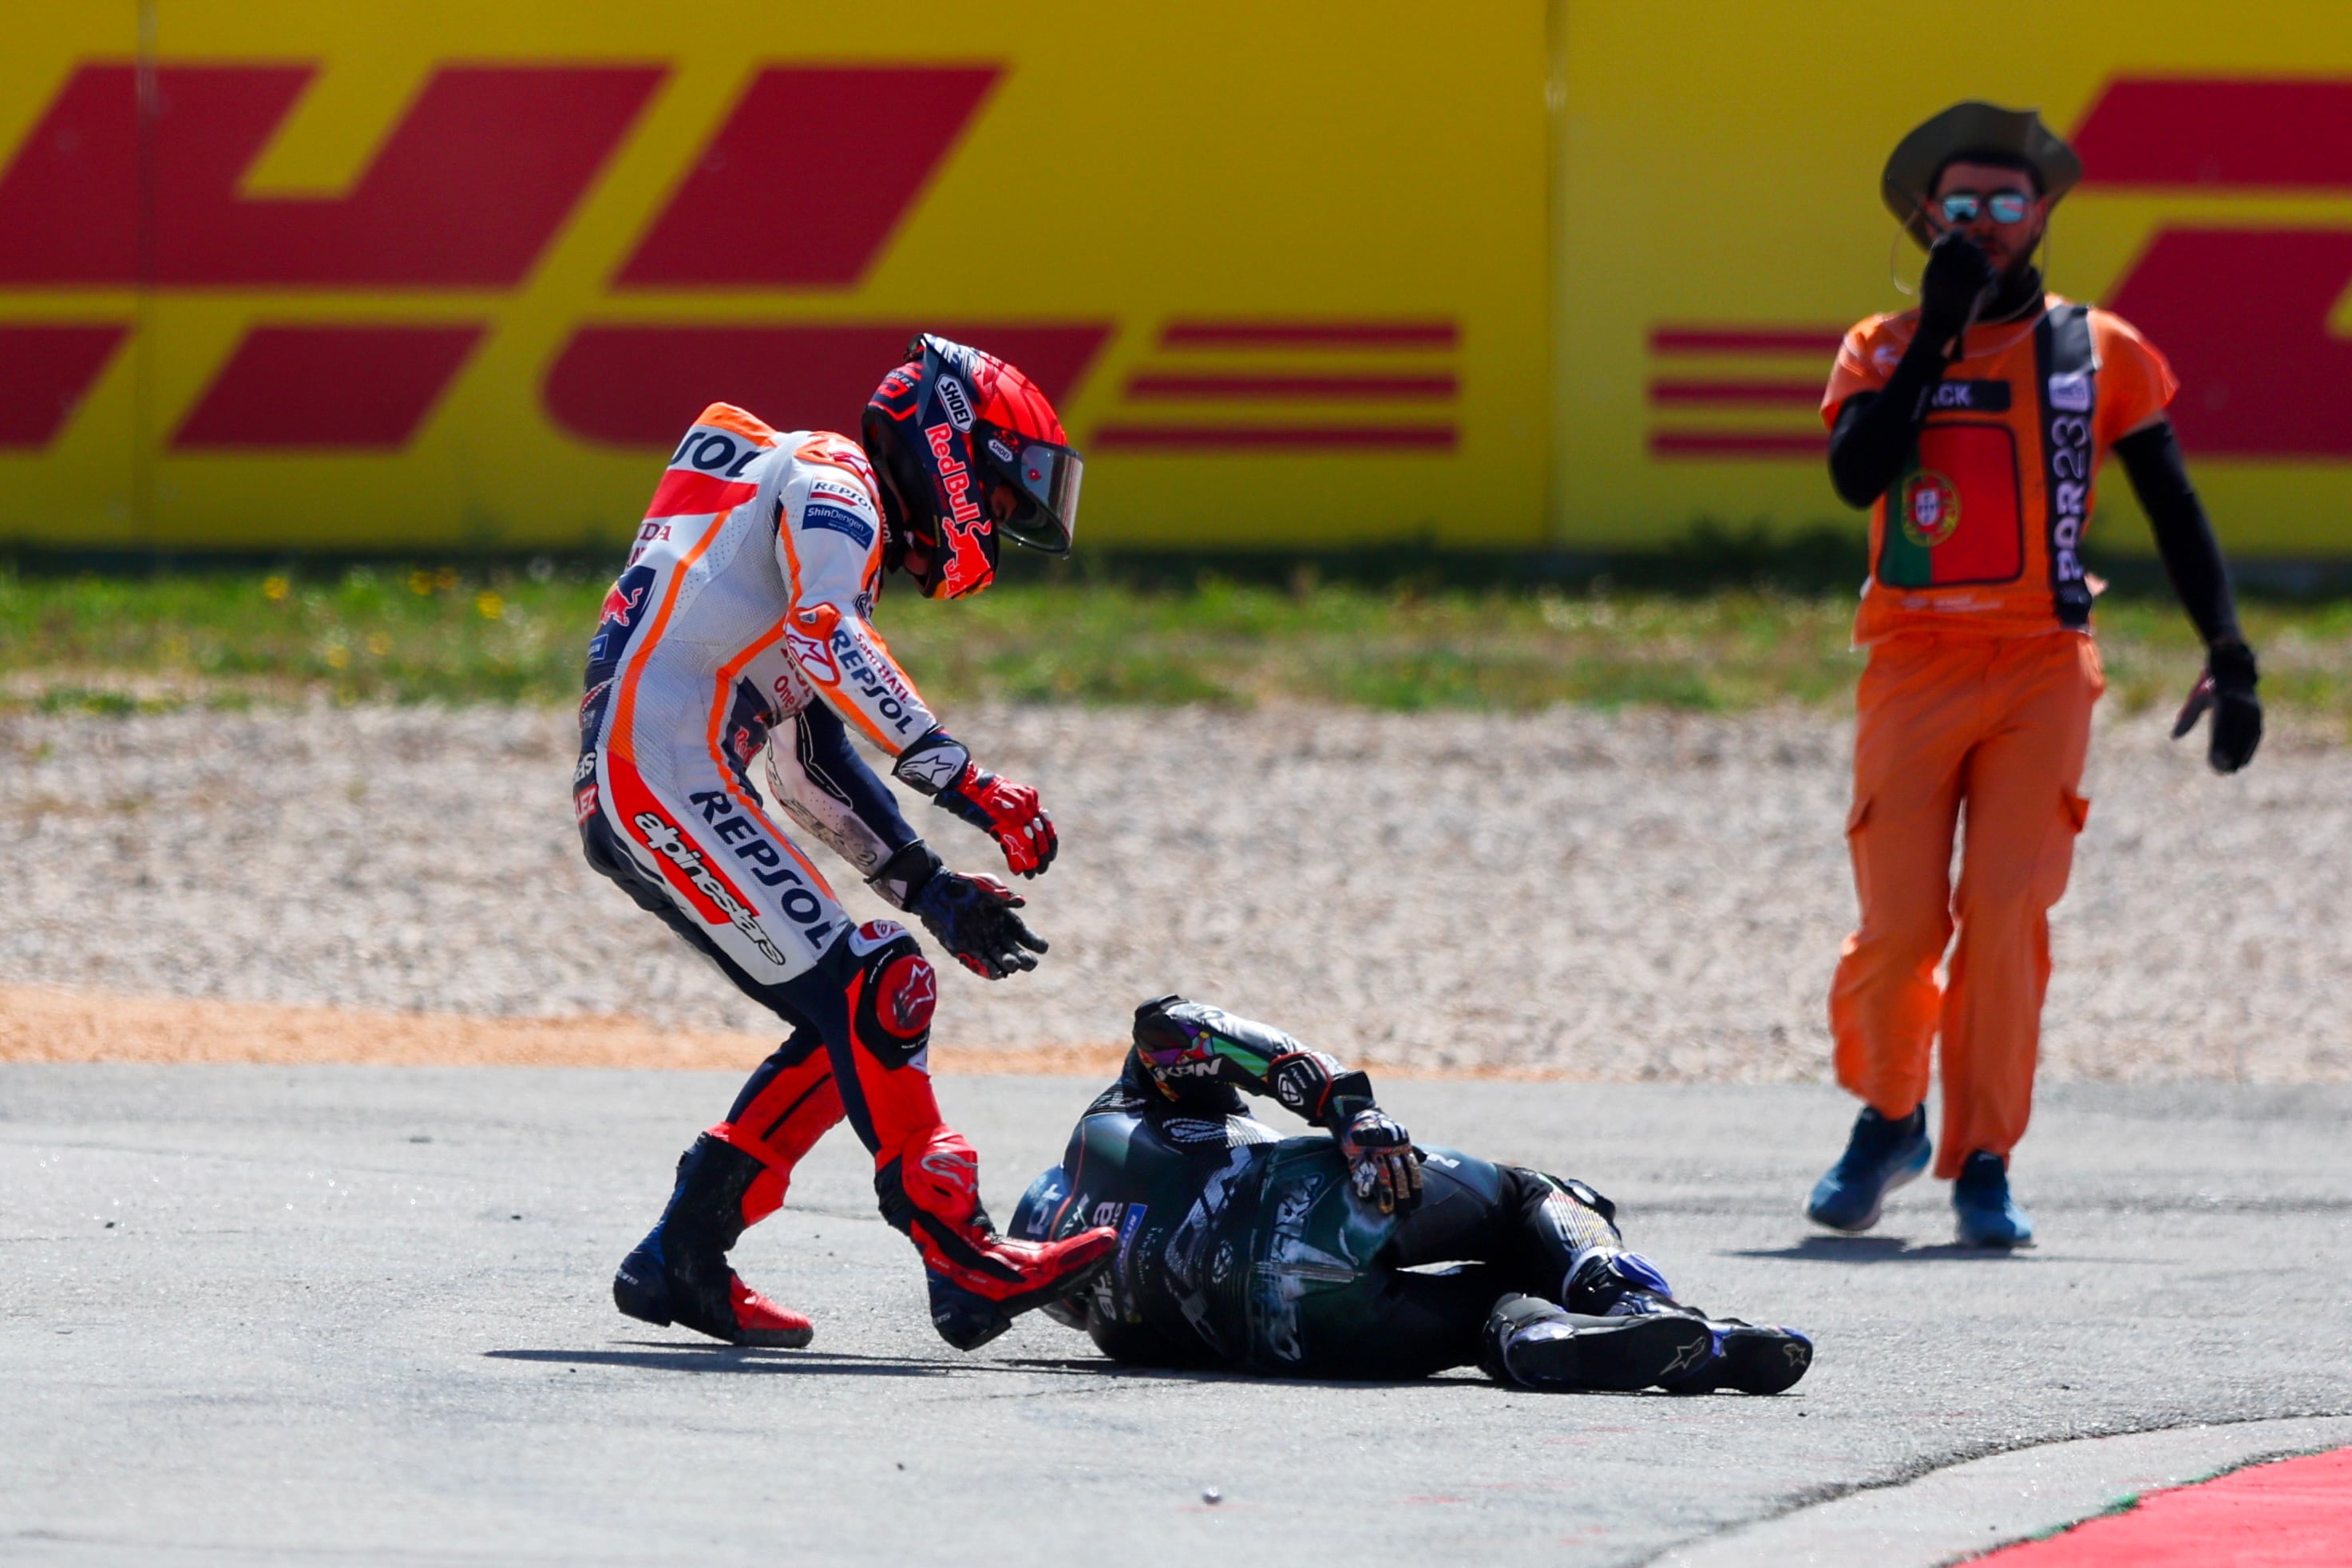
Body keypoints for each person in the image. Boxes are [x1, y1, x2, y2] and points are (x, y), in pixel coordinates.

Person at [577, 334, 1116, 1349]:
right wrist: (969, 781)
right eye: (998, 503)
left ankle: (680, 1258)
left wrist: (927, 886)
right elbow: (828, 638)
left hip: (655, 773)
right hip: (660, 770)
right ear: (954, 447)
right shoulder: (837, 475)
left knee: (853, 1018)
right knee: (879, 985)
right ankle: (964, 1255)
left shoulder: (791, 510)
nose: (991, 532)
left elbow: (807, 756)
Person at [1811, 104, 2263, 1248]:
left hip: (2040, 666)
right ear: (1925, 221)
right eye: (1958, 207)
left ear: (2043, 213)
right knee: (1897, 932)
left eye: (2004, 203)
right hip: (1912, 662)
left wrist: (2229, 652)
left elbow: (2172, 503)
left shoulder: (2096, 351)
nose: (1983, 224)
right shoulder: (1876, 344)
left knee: (2005, 917)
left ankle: (1984, 1160)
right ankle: (1890, 1115)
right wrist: (1938, 333)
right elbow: (1859, 477)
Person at [1007, 996, 1814, 1393]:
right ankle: (1637, 1304)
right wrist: (1349, 1111)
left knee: (1487, 1316)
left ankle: (1537, 1340)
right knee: (1533, 1194)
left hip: (1310, 1339)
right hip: (1321, 1201)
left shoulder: (1116, 1334)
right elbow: (1174, 1020)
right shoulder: (1112, 1119)